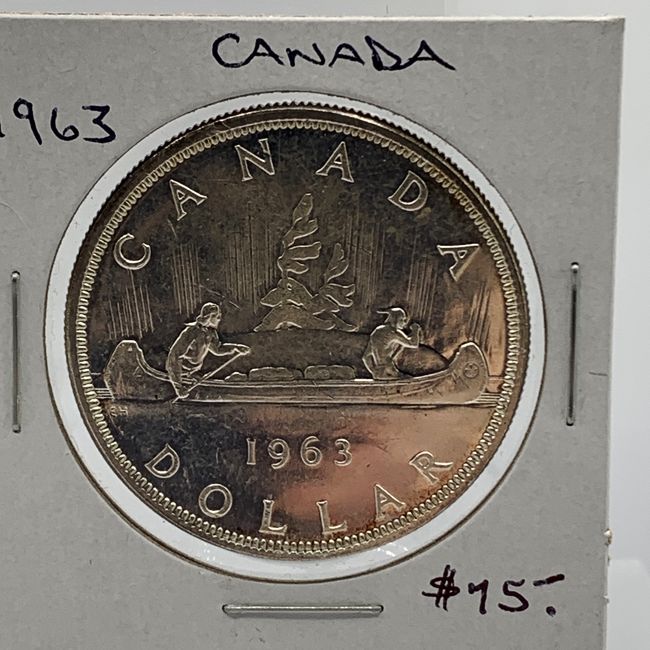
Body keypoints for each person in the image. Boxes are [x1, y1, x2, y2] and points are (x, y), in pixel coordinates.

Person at [166, 302, 249, 398]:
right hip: (180, 372)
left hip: (195, 371)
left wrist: (236, 347)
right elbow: (174, 356)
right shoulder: (191, 332)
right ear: (210, 316)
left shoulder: (210, 332)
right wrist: (178, 386)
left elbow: (217, 349)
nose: (219, 319)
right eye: (218, 317)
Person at [362, 307, 422, 380]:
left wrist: (373, 371)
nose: (404, 323)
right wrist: (415, 329)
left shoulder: (377, 331)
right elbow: (413, 344)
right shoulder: (393, 332)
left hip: (378, 373)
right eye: (402, 320)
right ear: (395, 319)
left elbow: (365, 357)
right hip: (390, 371)